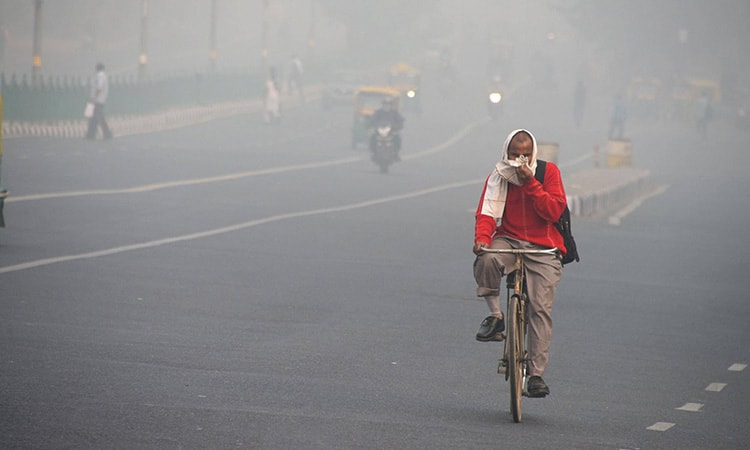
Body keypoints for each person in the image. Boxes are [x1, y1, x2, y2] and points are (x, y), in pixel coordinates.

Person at [472, 129, 567, 398]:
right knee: (487, 257)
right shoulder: (499, 175)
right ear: (507, 153)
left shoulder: (548, 173)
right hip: (510, 241)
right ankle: (495, 316)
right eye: (515, 155)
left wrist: (531, 184)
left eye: (525, 155)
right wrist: (481, 238)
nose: (519, 160)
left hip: (543, 248)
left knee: (540, 308)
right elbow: (487, 213)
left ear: (533, 153)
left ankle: (536, 375)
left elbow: (553, 210)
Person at [85, 62, 113, 140]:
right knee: (95, 118)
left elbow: (99, 88)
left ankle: (104, 134)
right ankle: (91, 134)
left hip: (97, 100)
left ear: (97, 68)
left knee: (98, 118)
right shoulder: (103, 76)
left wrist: (94, 97)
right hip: (100, 99)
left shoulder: (100, 76)